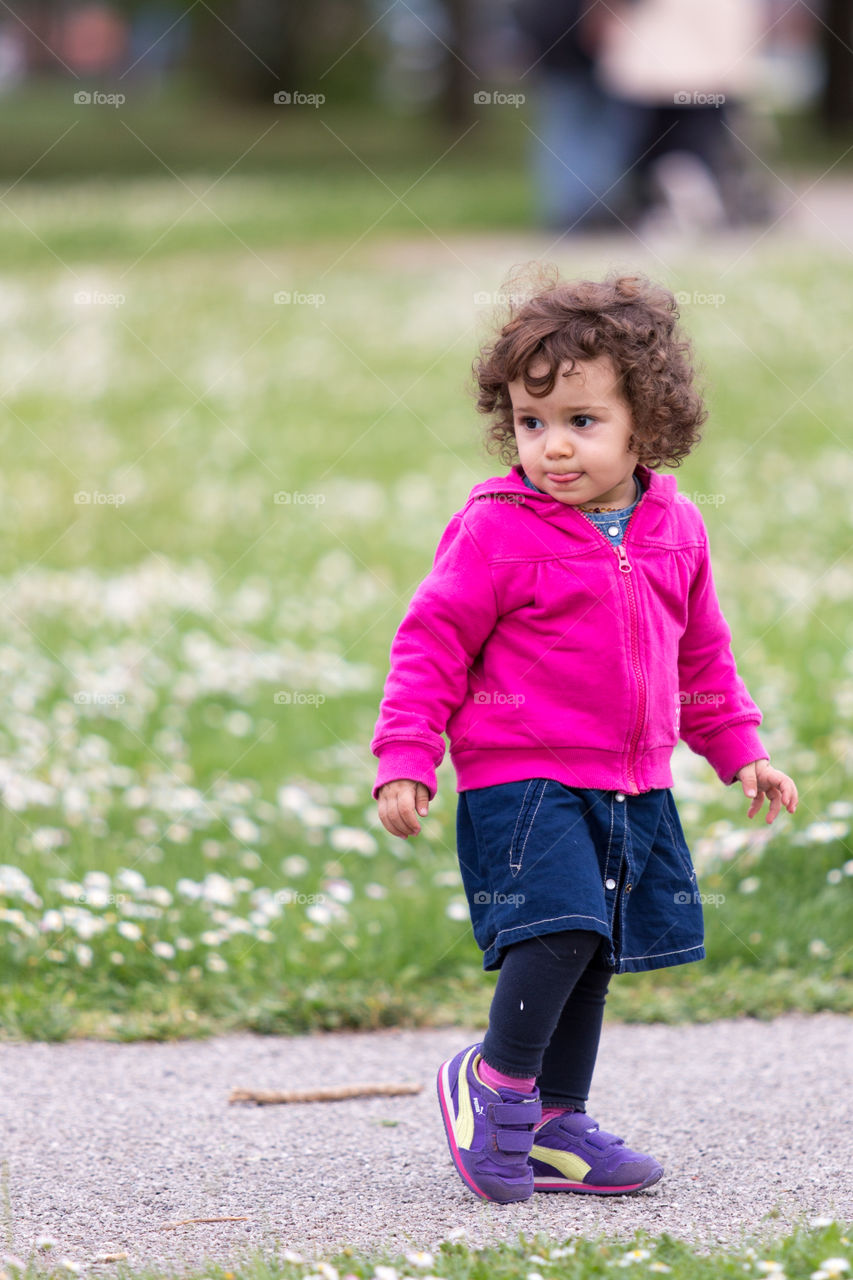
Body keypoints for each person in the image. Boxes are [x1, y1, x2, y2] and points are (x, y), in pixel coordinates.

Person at [370, 267, 798, 1205]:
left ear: (644, 422)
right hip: (521, 777)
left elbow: (702, 657)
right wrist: (406, 755)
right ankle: (490, 1087)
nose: (552, 448)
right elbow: (430, 643)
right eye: (531, 424)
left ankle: (554, 1122)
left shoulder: (674, 525)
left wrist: (740, 750)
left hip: (631, 779)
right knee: (557, 926)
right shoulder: (494, 532)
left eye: (580, 422)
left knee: (596, 947)